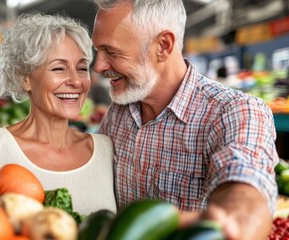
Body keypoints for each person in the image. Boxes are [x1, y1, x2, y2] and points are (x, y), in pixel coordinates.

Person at [91, 0, 278, 239]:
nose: (98, 66)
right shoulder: (119, 111)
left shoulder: (234, 111)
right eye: (98, 50)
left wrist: (234, 221)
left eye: (112, 51)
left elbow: (246, 184)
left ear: (163, 46)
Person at [0, 13, 117, 215]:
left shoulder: (105, 149)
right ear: (24, 78)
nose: (76, 81)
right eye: (59, 68)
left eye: (82, 68)